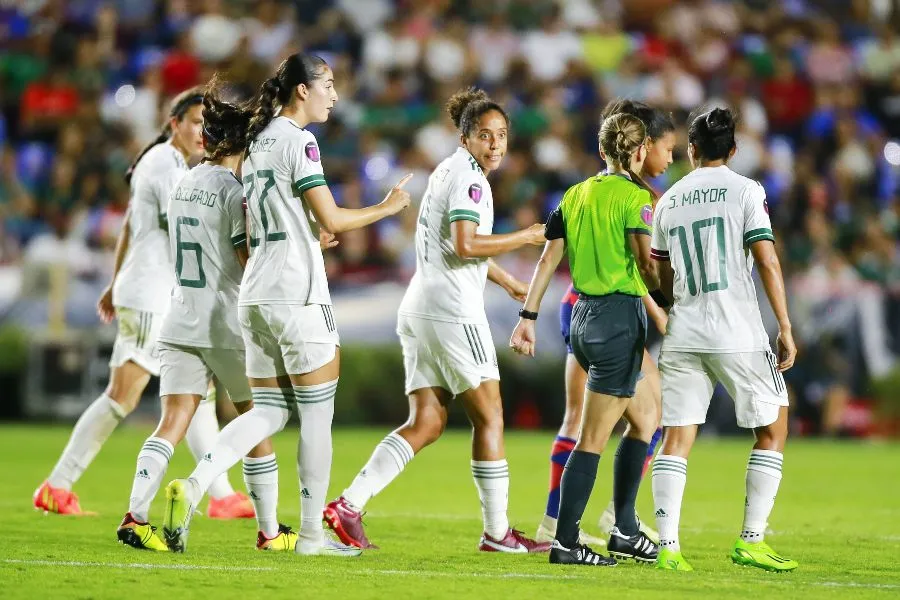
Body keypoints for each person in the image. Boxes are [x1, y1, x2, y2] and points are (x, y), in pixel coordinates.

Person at [162, 53, 409, 557]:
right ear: (303, 90)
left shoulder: (254, 142)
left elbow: (267, 228)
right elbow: (335, 219)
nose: (335, 94)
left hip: (255, 293)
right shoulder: (301, 142)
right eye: (329, 84)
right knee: (316, 420)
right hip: (298, 293)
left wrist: (307, 238)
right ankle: (313, 538)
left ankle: (194, 484)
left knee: (269, 412)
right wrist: (386, 208)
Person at [323, 88, 550, 553]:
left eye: (502, 136)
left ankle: (349, 504)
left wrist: (507, 282)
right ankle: (497, 532)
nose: (495, 145)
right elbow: (467, 244)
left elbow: (455, 245)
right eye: (485, 135)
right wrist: (525, 235)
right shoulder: (472, 180)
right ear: (466, 137)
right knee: (491, 416)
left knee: (426, 420)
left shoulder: (449, 170)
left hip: (421, 307)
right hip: (451, 312)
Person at [33, 88, 251, 519]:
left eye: (205, 125)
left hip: (154, 289)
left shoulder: (165, 164)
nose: (202, 133)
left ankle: (222, 496)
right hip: (154, 293)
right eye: (193, 123)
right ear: (175, 125)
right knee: (123, 394)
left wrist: (115, 283)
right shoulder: (165, 165)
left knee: (200, 393)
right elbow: (189, 224)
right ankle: (58, 484)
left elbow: (132, 225)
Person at [117, 81, 303, 552]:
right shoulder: (234, 191)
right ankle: (269, 531)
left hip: (178, 319)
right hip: (224, 322)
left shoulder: (184, 183)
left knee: (172, 419)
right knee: (257, 418)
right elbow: (246, 258)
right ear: (243, 143)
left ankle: (136, 518)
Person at [510, 112, 666, 566]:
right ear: (639, 152)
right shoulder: (636, 198)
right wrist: (669, 294)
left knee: (647, 417)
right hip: (617, 317)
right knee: (593, 436)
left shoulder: (575, 194)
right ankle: (566, 541)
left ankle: (625, 530)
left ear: (602, 150)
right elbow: (645, 263)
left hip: (580, 316)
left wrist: (528, 317)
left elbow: (546, 259)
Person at [649, 108, 798, 572]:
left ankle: (669, 548)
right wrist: (786, 326)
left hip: (685, 332)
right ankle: (751, 539)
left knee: (676, 437)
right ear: (733, 150)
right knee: (773, 428)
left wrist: (677, 305)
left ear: (691, 150)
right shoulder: (747, 191)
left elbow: (660, 273)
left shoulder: (669, 199)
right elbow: (767, 262)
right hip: (737, 331)